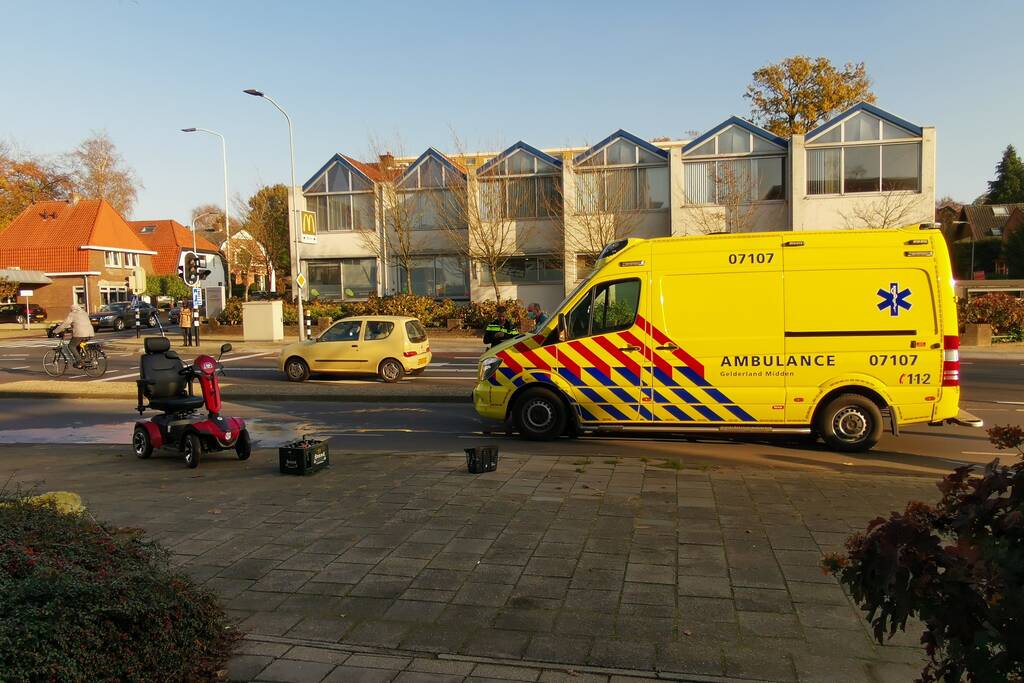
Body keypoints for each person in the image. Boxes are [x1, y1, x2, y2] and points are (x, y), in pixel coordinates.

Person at [53, 303, 94, 368]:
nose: (70, 311)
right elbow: (79, 322)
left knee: (71, 346)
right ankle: (83, 357)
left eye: (71, 309)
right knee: (78, 345)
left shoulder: (73, 314)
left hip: (80, 334)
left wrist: (56, 331)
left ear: (72, 309)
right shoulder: (84, 313)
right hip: (90, 333)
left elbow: (65, 324)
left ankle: (79, 361)